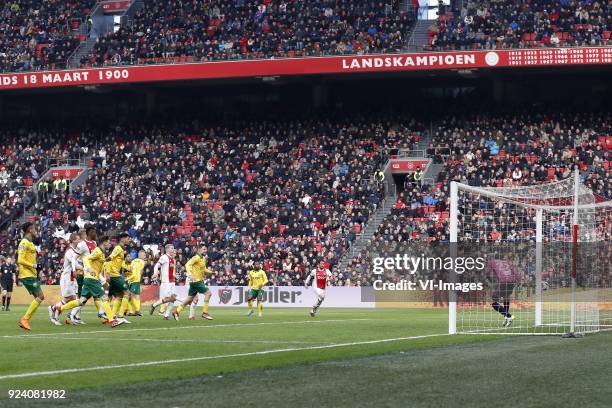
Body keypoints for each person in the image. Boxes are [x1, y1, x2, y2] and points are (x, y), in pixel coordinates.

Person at [51, 236, 121, 327]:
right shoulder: (98, 250)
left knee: (81, 301)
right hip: (91, 278)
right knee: (104, 297)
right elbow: (86, 259)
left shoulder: (102, 253)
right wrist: (89, 268)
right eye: (109, 242)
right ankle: (111, 320)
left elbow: (98, 262)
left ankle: (60, 308)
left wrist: (105, 260)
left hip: (90, 279)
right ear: (104, 242)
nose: (110, 244)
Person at [173, 245, 214, 321]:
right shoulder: (196, 257)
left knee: (189, 299)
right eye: (204, 249)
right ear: (199, 250)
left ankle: (176, 311)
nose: (205, 250)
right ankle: (205, 312)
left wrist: (211, 272)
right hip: (196, 281)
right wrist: (190, 274)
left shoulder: (203, 258)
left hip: (196, 281)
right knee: (208, 293)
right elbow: (187, 264)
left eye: (206, 249)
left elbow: (203, 269)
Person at [17, 222, 45, 331]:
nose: (36, 231)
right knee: (41, 296)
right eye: (34, 229)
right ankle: (24, 319)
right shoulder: (24, 243)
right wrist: (33, 265)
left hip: (32, 274)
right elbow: (20, 260)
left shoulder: (31, 243)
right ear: (29, 230)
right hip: (27, 274)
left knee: (37, 298)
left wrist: (36, 268)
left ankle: (25, 320)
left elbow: (29, 259)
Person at [49, 233, 81, 326]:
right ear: (73, 240)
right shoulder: (69, 251)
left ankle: (56, 310)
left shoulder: (73, 251)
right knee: (70, 299)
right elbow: (73, 262)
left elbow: (75, 263)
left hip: (71, 278)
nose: (79, 241)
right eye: (78, 239)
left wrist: (85, 268)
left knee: (74, 299)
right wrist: (75, 270)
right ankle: (56, 311)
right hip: (67, 278)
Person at [73, 226, 100, 323]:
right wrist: (75, 269)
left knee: (91, 295)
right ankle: (73, 315)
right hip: (83, 273)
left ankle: (76, 315)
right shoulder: (82, 244)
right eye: (94, 232)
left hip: (93, 273)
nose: (95, 234)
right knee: (83, 296)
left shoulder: (95, 243)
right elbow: (74, 258)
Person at [487, 257, 520, 327]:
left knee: (492, 302)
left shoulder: (491, 261)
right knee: (506, 297)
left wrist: (488, 279)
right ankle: (507, 318)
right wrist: (518, 281)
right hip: (512, 282)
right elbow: (515, 272)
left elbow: (488, 273)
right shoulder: (507, 262)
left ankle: (509, 316)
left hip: (503, 282)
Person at [107, 233, 131, 321]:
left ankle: (112, 316)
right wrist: (108, 272)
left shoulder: (122, 249)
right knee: (127, 293)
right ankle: (120, 316)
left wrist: (125, 269)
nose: (129, 240)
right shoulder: (118, 248)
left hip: (115, 274)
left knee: (119, 295)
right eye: (128, 239)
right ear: (123, 239)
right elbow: (110, 258)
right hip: (115, 275)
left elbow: (116, 262)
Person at [150, 244, 178, 319]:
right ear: (167, 249)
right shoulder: (164, 257)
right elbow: (157, 265)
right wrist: (155, 273)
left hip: (172, 282)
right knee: (168, 298)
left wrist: (175, 276)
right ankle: (154, 305)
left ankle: (166, 315)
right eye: (172, 248)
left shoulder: (172, 259)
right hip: (166, 282)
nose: (173, 249)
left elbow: (170, 271)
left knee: (173, 299)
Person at [126, 249, 146, 317]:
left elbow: (130, 270)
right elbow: (140, 271)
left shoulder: (133, 261)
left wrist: (128, 278)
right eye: (144, 255)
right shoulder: (142, 262)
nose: (145, 256)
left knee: (132, 295)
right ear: (139, 254)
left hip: (131, 280)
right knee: (133, 295)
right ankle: (136, 310)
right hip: (135, 280)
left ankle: (134, 311)